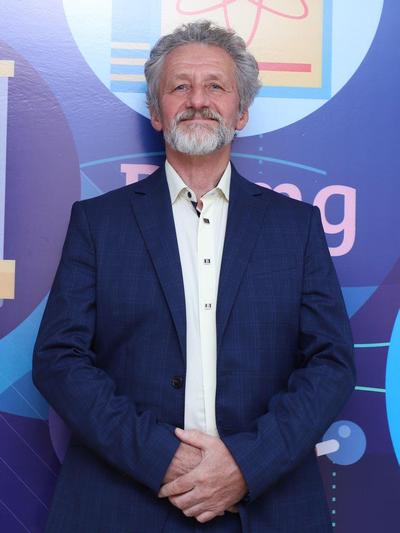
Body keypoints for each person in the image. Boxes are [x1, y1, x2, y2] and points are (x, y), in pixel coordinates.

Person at [32, 20, 355, 533]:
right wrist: (162, 458)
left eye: (216, 86)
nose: (198, 100)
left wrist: (246, 465)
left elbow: (331, 363)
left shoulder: (297, 228)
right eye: (180, 86)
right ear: (156, 112)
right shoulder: (98, 224)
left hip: (263, 508)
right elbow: (58, 360)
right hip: (122, 505)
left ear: (242, 112)